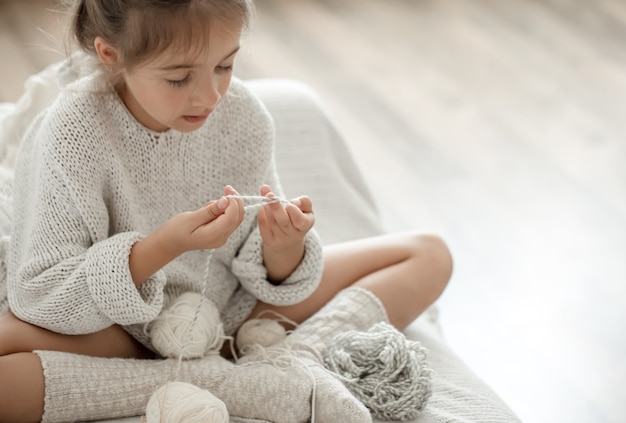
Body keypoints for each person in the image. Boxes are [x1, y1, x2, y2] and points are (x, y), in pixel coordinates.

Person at [0, 0, 453, 422]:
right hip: (118, 331)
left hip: (232, 317)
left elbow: (268, 271)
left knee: (428, 254)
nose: (210, 95)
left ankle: (295, 364)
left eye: (225, 64)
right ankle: (224, 380)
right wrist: (163, 247)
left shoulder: (243, 116)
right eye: (179, 78)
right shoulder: (71, 130)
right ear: (110, 54)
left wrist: (284, 247)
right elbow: (43, 295)